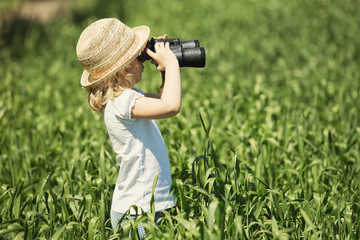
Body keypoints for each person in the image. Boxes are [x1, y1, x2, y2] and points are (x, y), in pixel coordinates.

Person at [76, 18, 181, 238]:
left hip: (144, 207)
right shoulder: (123, 102)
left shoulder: (127, 98)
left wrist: (163, 69)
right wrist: (171, 64)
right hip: (139, 212)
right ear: (122, 67)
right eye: (139, 55)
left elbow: (163, 99)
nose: (143, 58)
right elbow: (170, 105)